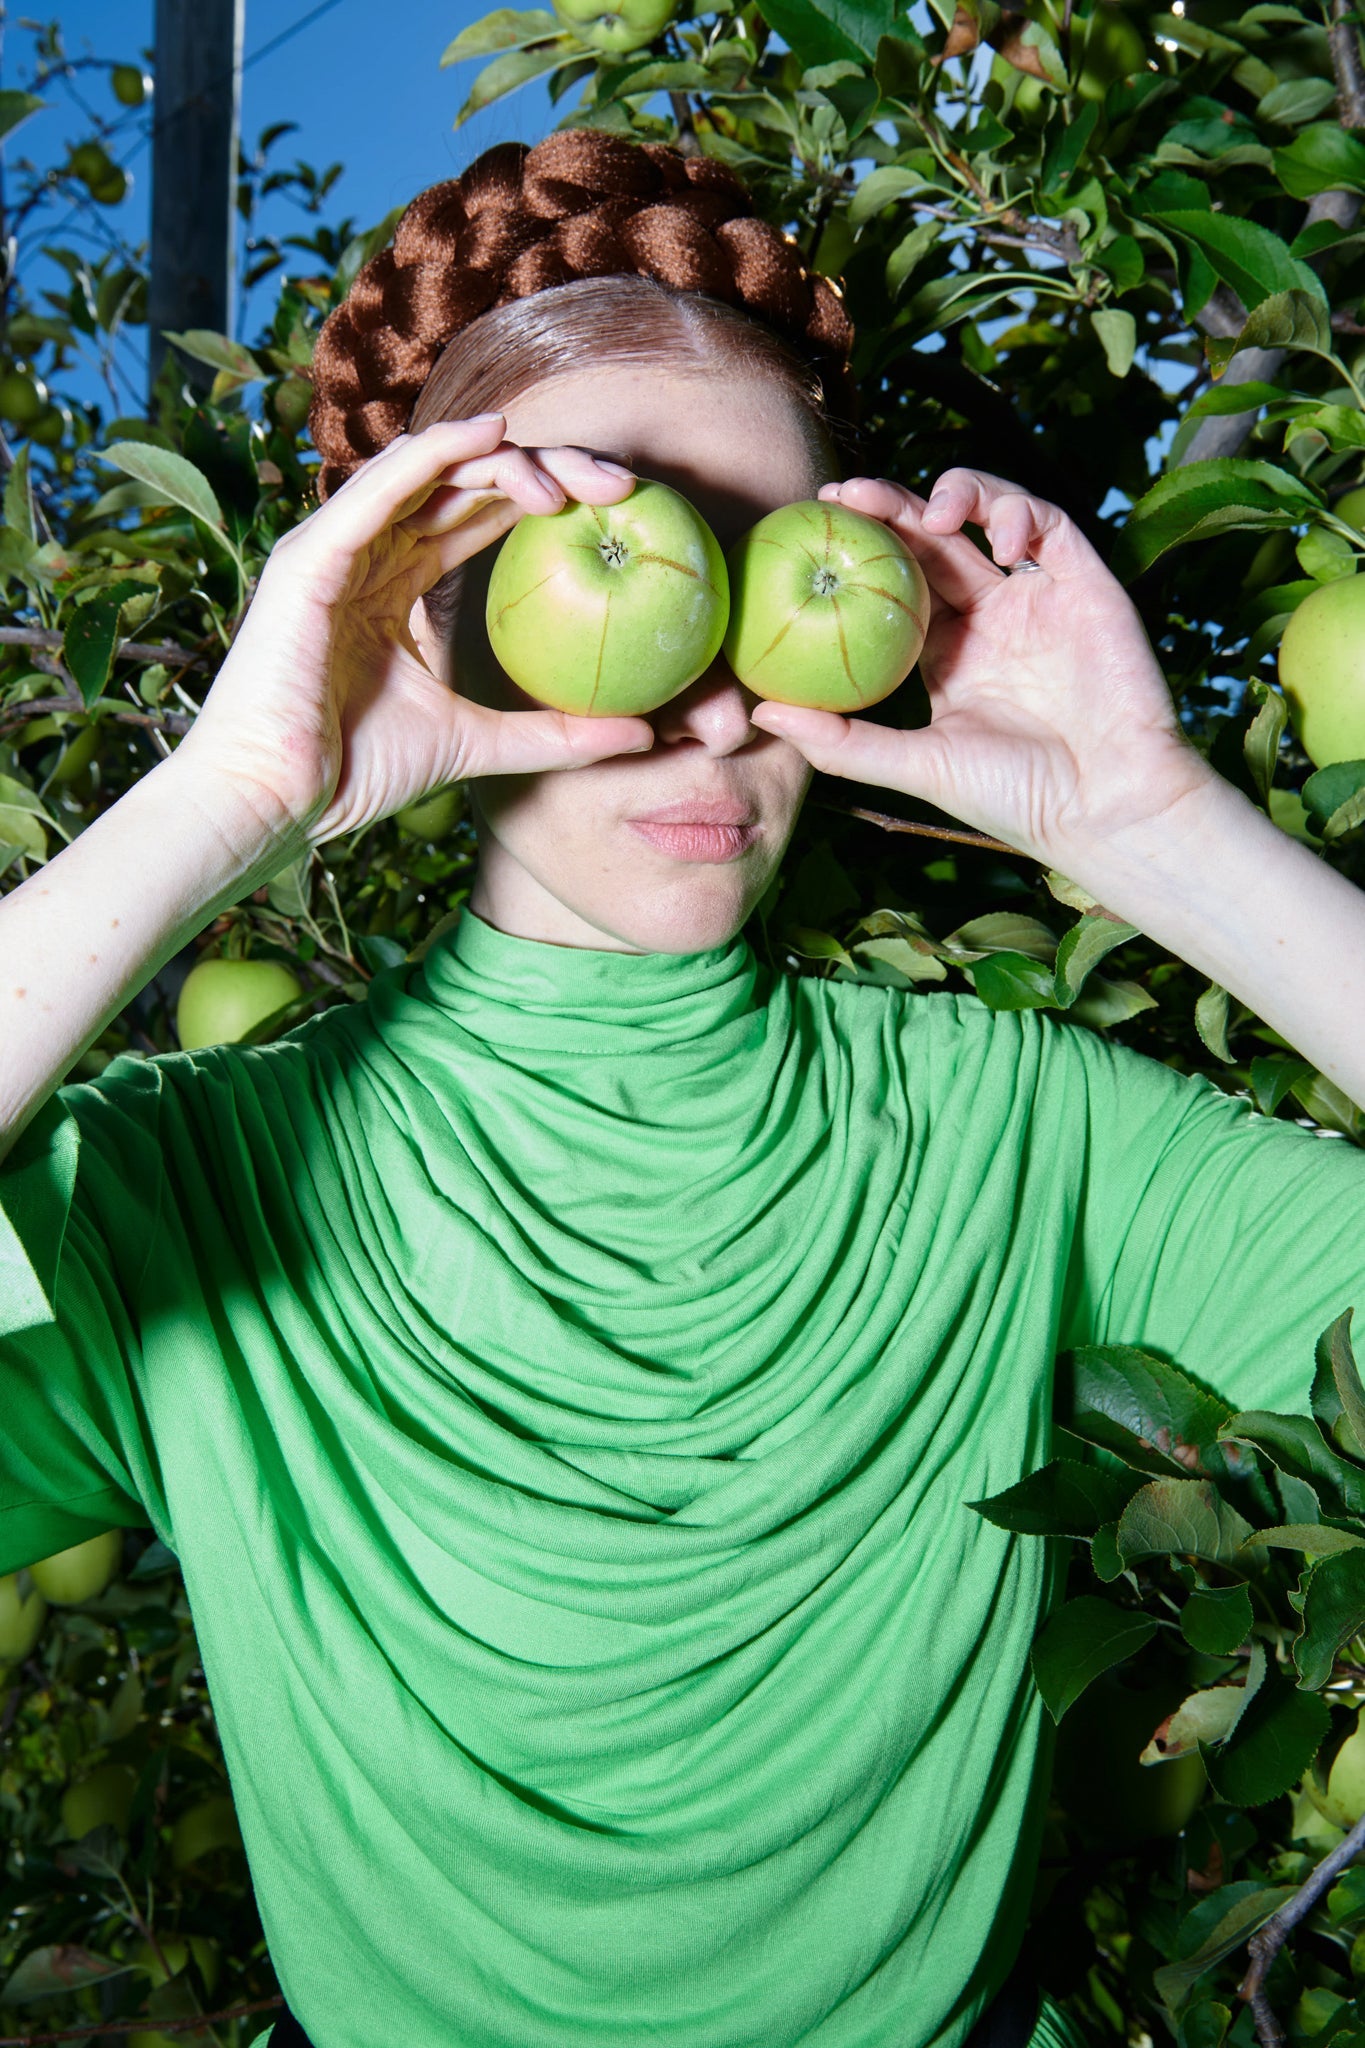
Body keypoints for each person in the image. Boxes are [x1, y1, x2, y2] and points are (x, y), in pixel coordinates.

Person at [2, 126, 1363, 2048]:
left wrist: (1153, 827)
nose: (714, 695)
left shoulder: (1017, 1131)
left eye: (765, 577)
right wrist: (227, 796)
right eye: (628, 563)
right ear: (431, 597)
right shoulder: (194, 1190)